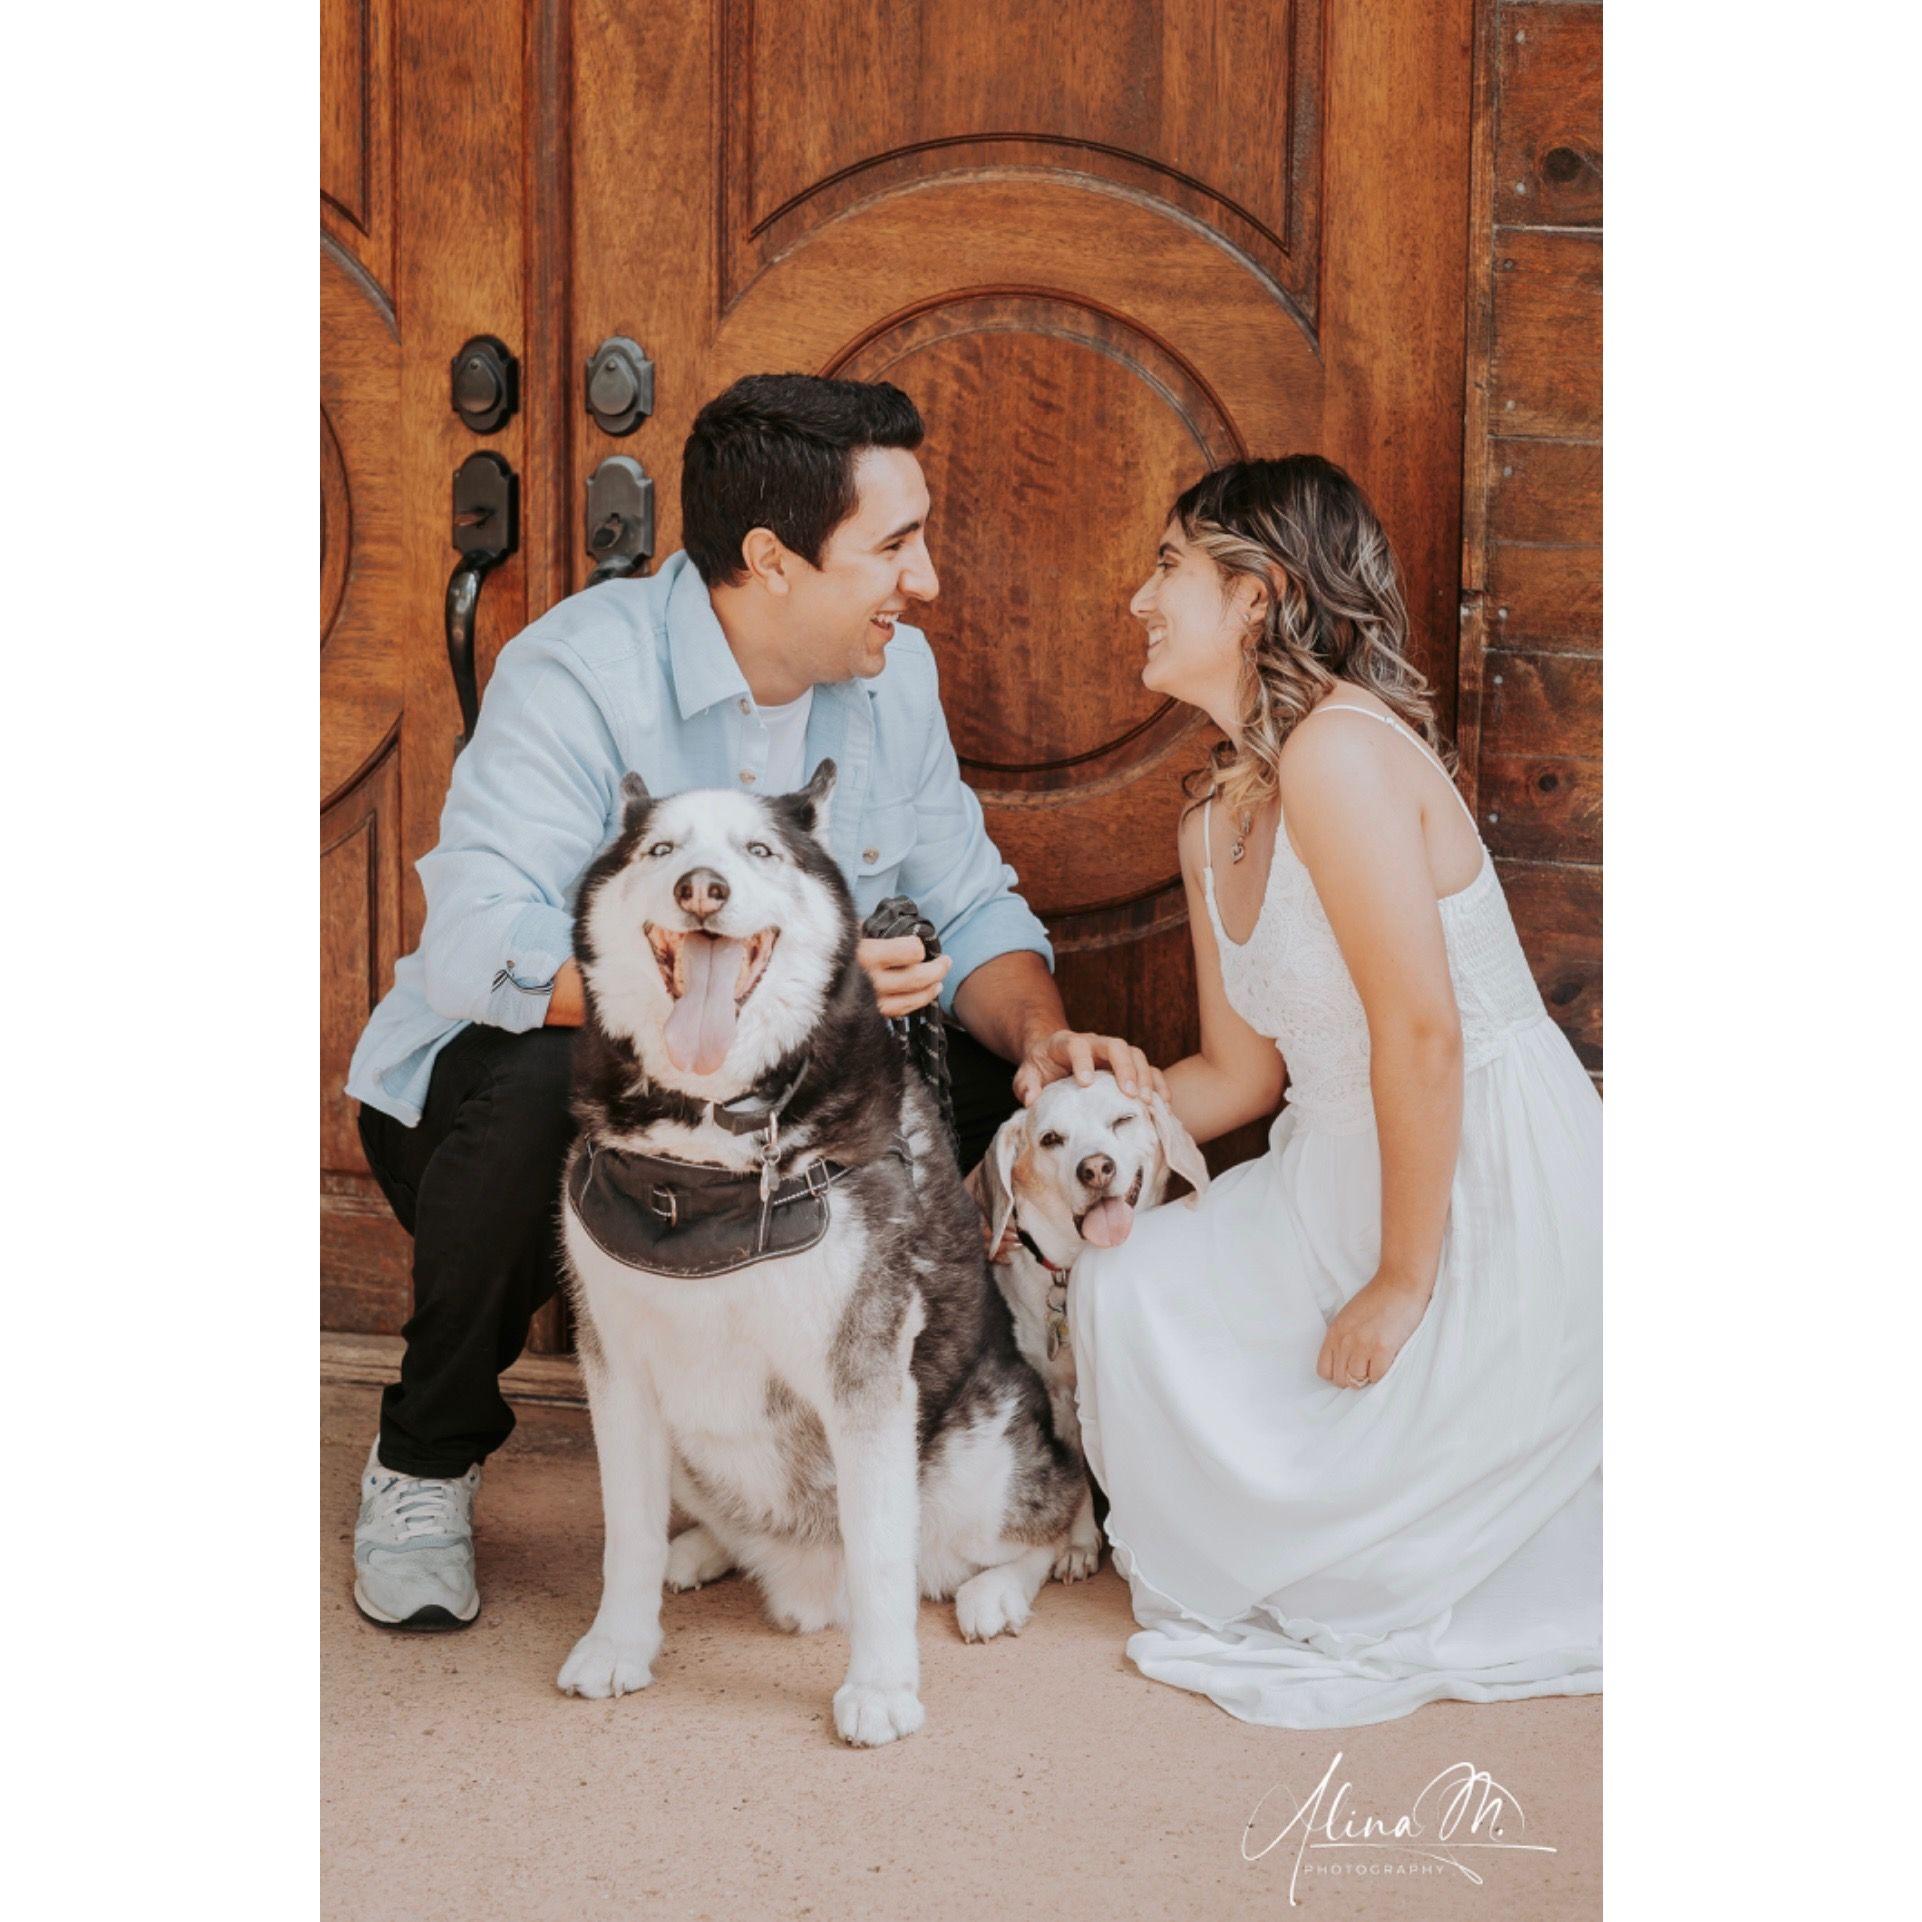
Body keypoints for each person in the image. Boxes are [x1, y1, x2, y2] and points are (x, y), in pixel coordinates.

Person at [344, 373, 1155, 1631]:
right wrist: (787, 989)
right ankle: (425, 1454)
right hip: (529, 1099)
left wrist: (1046, 1044)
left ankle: (965, 1449)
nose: (925, 579)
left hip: (785, 1114)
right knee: (539, 1089)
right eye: (894, 546)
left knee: (1000, 1085)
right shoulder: (574, 672)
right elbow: (474, 945)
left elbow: (975, 904)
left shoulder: (893, 676)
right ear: (771, 560)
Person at [1068, 455, 1602, 1728]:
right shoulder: (1211, 818)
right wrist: (1081, 1116)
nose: (1137, 597)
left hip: (1471, 1175)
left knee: (1375, 1563)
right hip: (1327, 1166)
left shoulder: (1339, 752)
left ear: (1255, 593)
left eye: (1166, 565)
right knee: (1127, 1280)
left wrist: (1401, 1281)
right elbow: (1237, 1076)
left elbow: (1420, 1033)